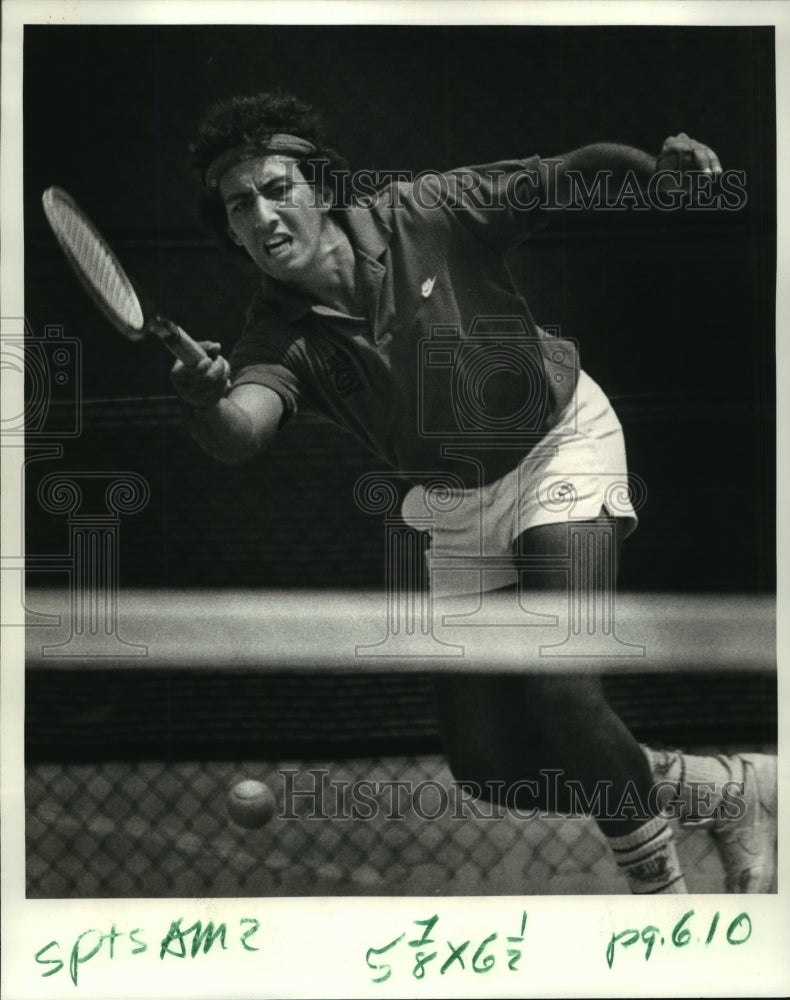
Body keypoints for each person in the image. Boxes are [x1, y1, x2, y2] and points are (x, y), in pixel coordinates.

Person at [173, 91, 776, 894]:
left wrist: (653, 174)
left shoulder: (428, 211)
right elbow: (241, 432)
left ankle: (661, 897)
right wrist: (204, 400)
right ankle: (723, 788)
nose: (262, 214)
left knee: (563, 690)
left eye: (277, 188)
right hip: (456, 506)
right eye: (239, 204)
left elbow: (570, 174)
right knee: (490, 767)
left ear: (321, 186)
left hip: (558, 445)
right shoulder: (274, 334)